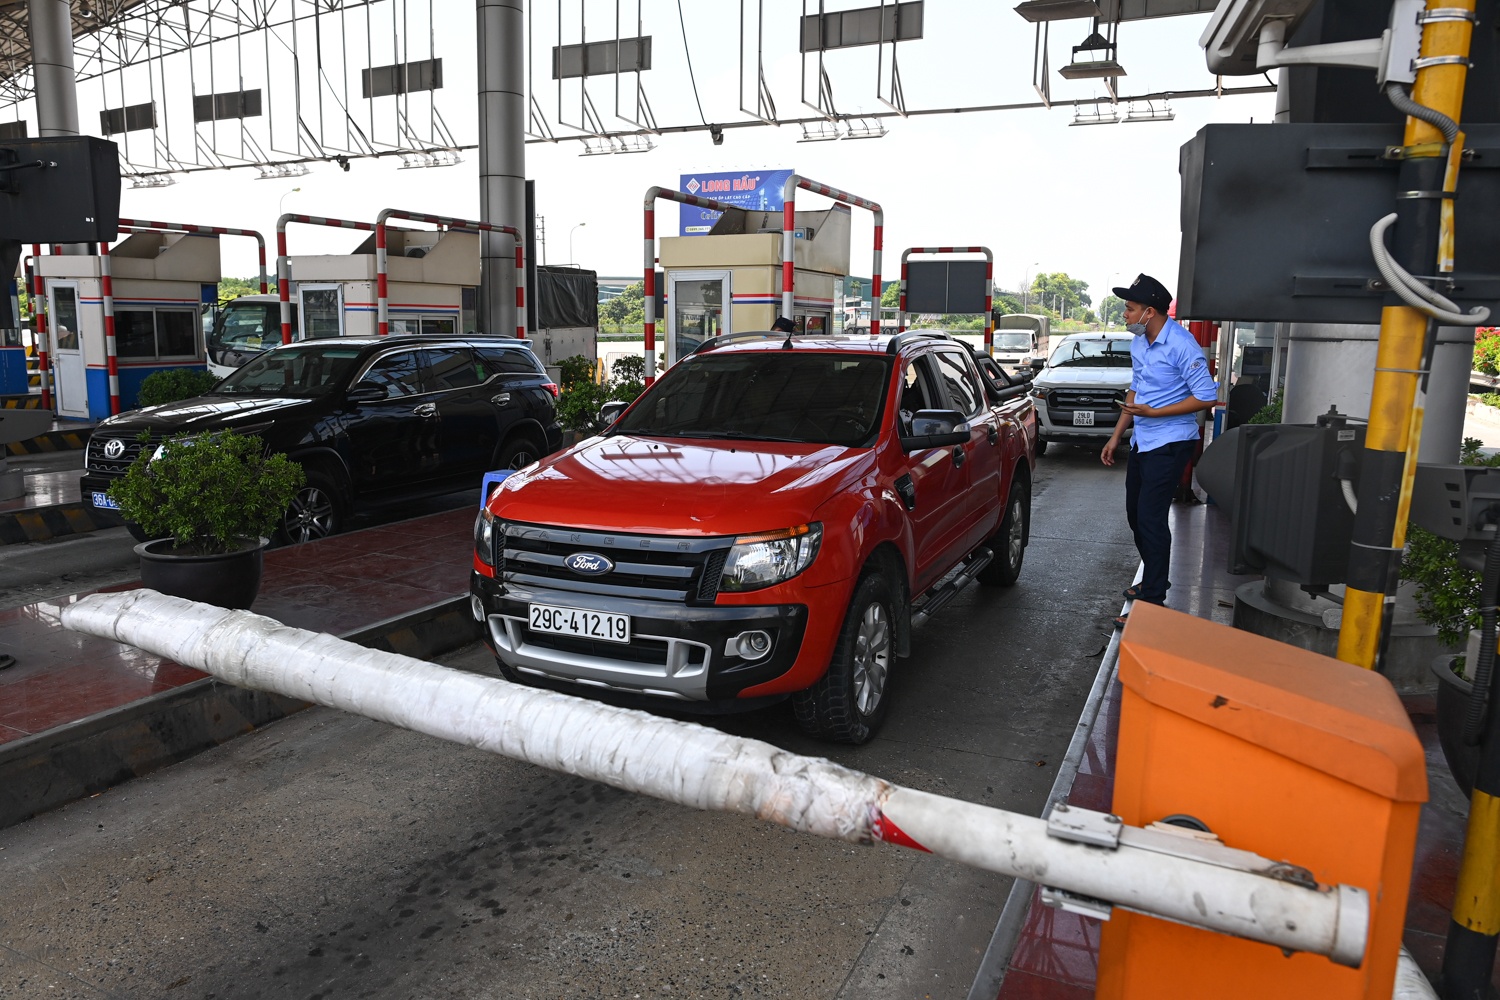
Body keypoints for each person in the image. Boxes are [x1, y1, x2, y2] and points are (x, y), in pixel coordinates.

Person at [1101, 274, 1218, 628]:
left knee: (1151, 518)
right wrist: (1116, 435)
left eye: (1130, 308)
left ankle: (1153, 598)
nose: (1125, 314)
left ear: (1149, 312)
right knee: (1136, 516)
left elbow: (1206, 396)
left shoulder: (1182, 345)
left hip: (1171, 442)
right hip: (1143, 440)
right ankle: (1155, 578)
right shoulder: (1140, 344)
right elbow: (1135, 391)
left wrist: (1155, 414)